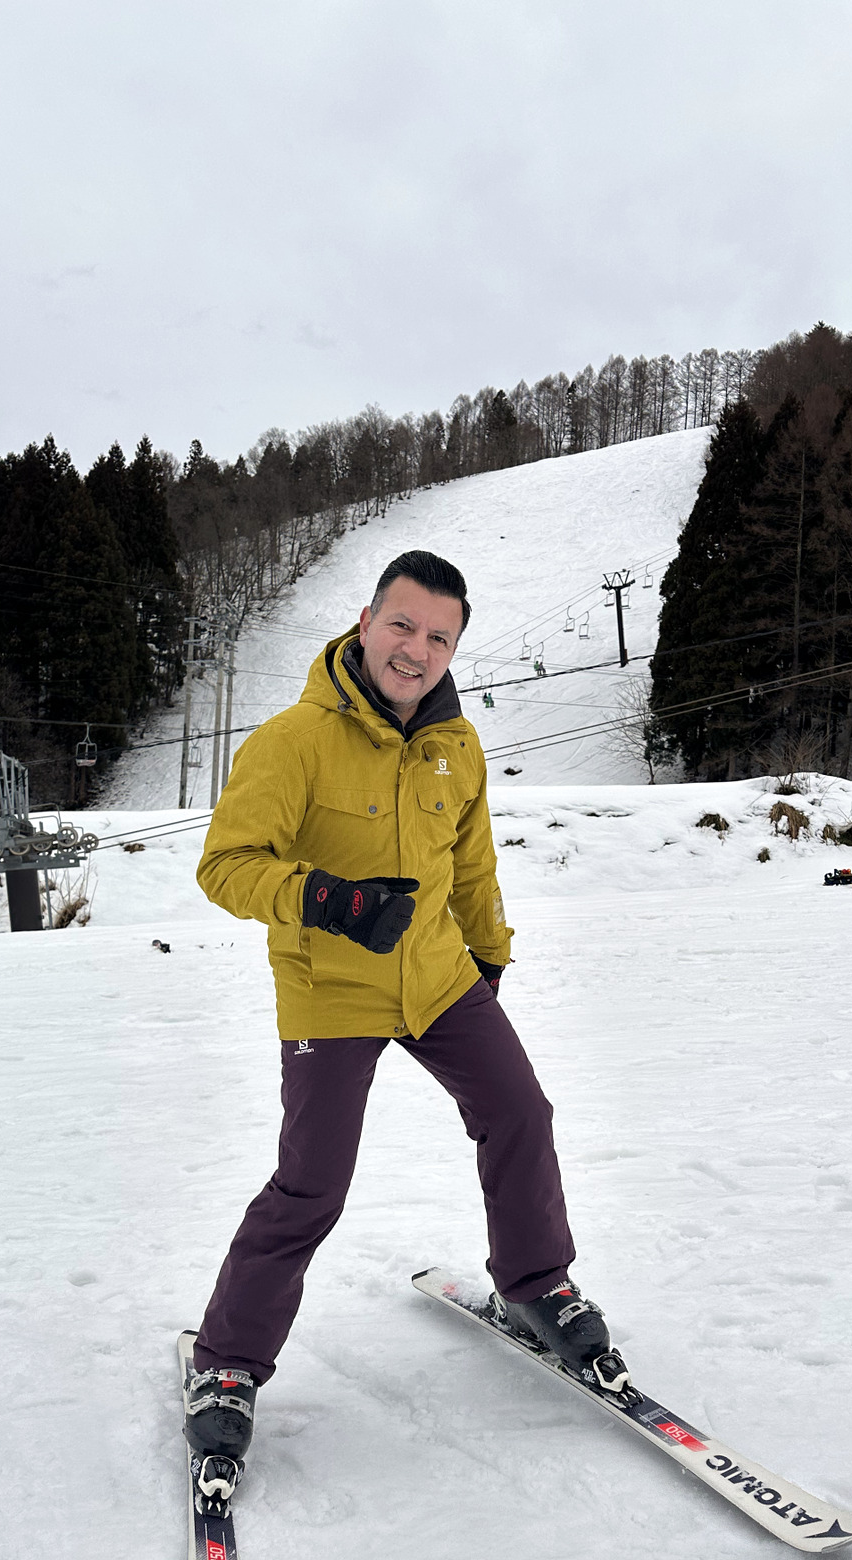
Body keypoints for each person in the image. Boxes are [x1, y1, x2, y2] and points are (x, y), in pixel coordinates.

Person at [183, 549, 623, 1480]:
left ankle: (536, 1285)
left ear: (453, 647)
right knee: (312, 1184)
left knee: (520, 1112)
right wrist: (327, 899)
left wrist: (488, 953)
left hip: (436, 976)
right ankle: (226, 1362)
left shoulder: (455, 746)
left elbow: (471, 865)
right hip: (331, 988)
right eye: (403, 625)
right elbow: (225, 865)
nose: (416, 650)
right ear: (365, 621)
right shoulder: (294, 740)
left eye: (439, 637)